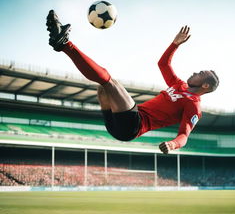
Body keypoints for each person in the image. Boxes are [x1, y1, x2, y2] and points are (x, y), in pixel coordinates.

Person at [46, 10, 219, 154]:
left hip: (134, 126)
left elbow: (184, 135)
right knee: (103, 88)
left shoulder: (194, 106)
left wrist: (173, 144)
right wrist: (175, 44)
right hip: (116, 123)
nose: (196, 72)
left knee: (109, 81)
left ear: (205, 85)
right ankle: (63, 43)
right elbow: (163, 64)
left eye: (201, 74)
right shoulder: (179, 85)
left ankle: (64, 43)